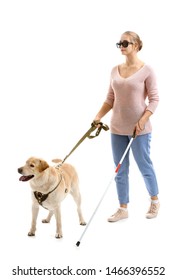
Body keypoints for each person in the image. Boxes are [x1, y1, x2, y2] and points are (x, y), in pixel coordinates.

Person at [93, 31, 160, 222]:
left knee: (144, 165)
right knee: (119, 169)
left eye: (125, 43)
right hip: (117, 128)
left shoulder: (147, 70)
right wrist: (98, 116)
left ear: (137, 45)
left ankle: (154, 200)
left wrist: (143, 120)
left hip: (139, 129)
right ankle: (123, 208)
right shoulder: (114, 70)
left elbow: (154, 100)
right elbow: (110, 99)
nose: (121, 46)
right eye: (119, 43)